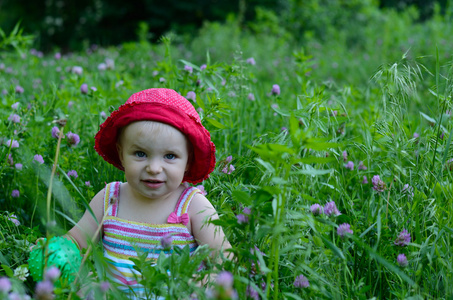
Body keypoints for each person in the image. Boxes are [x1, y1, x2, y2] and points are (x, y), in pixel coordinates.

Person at [66, 88, 230, 297]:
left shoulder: (193, 206)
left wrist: (202, 283)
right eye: (140, 154)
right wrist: (56, 249)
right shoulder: (110, 199)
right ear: (121, 154)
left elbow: (224, 260)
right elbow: (78, 241)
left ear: (188, 161)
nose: (154, 168)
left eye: (170, 156)